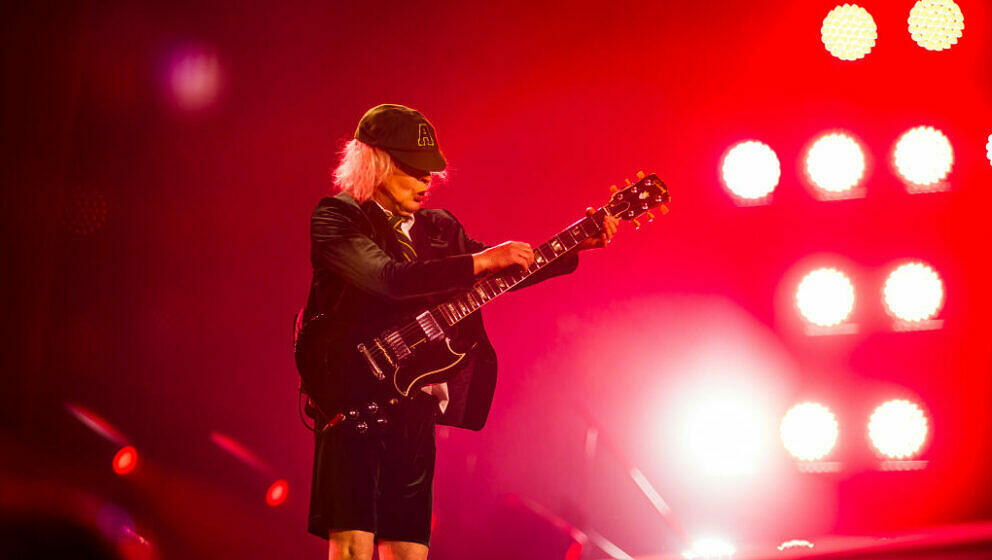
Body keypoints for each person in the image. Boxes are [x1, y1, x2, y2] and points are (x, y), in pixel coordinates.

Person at [301, 104, 617, 560]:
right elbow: (387, 279)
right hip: (352, 400)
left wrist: (575, 245)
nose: (426, 180)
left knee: (410, 549)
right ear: (378, 162)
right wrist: (481, 261)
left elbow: (507, 269)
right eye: (413, 169)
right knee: (351, 546)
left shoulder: (440, 227)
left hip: (415, 405)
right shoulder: (338, 217)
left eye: (430, 170)